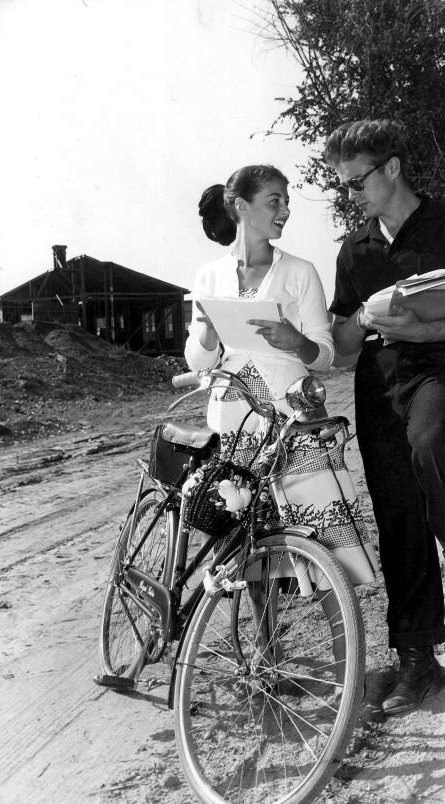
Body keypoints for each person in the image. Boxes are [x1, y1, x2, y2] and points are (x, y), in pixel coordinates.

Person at [323, 119, 445, 717]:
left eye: (356, 182)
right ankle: (416, 659)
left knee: (430, 446)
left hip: (442, 369)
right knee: (397, 509)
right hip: (378, 381)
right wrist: (364, 321)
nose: (350, 194)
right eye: (344, 185)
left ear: (392, 168)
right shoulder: (354, 251)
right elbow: (344, 344)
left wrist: (419, 326)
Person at [184, 164, 378, 587]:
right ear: (241, 206)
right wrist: (209, 331)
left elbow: (325, 355)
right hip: (234, 427)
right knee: (246, 554)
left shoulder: (300, 272)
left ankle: (347, 647)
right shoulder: (208, 277)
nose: (285, 210)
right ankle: (260, 649)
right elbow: (198, 362)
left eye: (286, 201)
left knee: (328, 549)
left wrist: (294, 341)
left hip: (294, 419)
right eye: (275, 201)